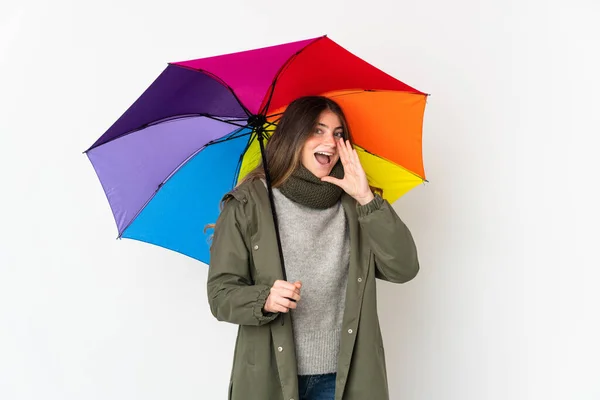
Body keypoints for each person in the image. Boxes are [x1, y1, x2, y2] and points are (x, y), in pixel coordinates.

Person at [206, 96, 420, 400]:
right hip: (271, 376)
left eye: (338, 133)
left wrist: (366, 199)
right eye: (317, 131)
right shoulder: (247, 204)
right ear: (294, 137)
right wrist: (263, 298)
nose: (330, 142)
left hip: (346, 376)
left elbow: (404, 268)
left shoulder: (357, 204)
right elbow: (220, 295)